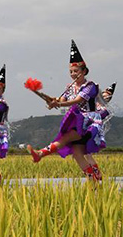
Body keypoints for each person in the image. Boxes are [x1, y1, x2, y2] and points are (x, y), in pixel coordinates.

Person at [27, 40, 106, 181]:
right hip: (77, 121)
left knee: (66, 138)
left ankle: (40, 154)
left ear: (84, 71)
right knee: (77, 153)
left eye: (76, 71)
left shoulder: (90, 86)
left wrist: (60, 104)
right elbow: (62, 99)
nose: (73, 74)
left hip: (88, 122)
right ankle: (95, 179)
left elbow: (77, 101)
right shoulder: (70, 87)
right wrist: (53, 102)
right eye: (71, 71)